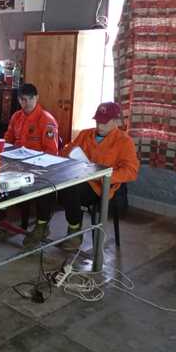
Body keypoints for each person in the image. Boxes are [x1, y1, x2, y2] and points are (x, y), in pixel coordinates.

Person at [57, 102, 139, 250]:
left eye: (104, 122)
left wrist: (104, 176)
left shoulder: (124, 142)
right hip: (80, 178)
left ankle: (74, 232)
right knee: (59, 184)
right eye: (97, 121)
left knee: (70, 189)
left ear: (116, 122)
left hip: (101, 187)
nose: (99, 126)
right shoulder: (85, 134)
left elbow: (131, 171)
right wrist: (70, 153)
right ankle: (46, 225)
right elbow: (65, 152)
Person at [4, 83, 61, 249]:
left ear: (36, 98)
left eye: (29, 99)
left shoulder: (46, 120)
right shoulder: (16, 117)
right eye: (22, 99)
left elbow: (51, 152)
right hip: (15, 163)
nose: (25, 103)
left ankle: (42, 225)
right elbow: (8, 139)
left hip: (38, 166)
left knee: (44, 185)